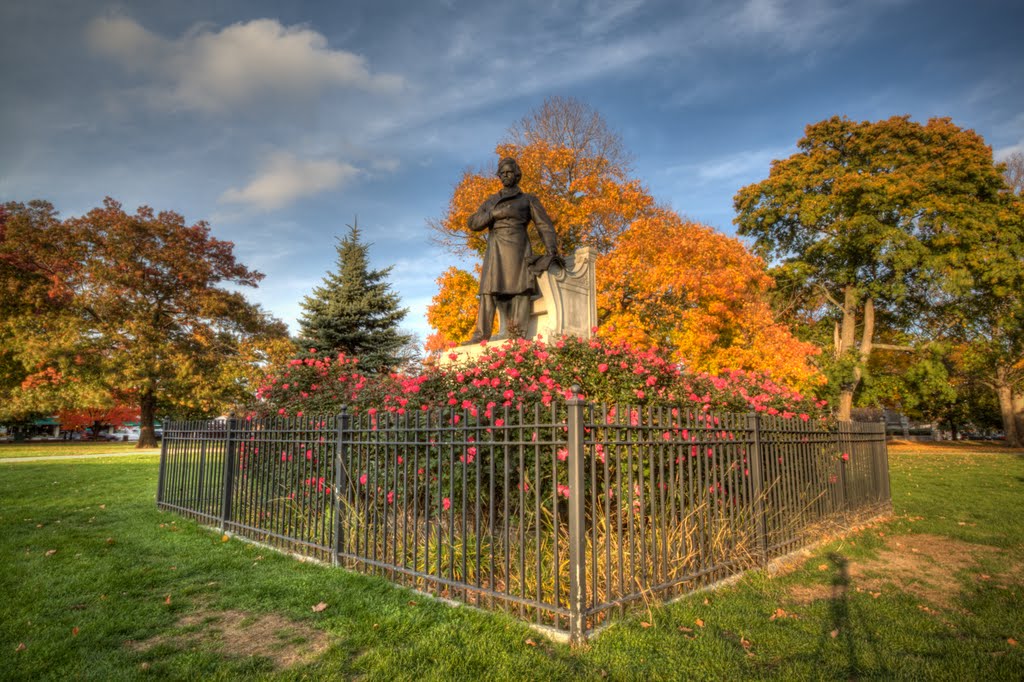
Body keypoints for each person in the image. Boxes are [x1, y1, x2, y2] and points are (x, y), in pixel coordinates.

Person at [464, 157, 560, 343]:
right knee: (488, 291)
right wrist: (493, 214)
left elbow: (544, 225)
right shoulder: (491, 201)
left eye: (509, 172)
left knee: (520, 290)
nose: (506, 175)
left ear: (517, 175)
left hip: (518, 248)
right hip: (496, 248)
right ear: (499, 176)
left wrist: (551, 248)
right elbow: (473, 223)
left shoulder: (528, 199)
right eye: (503, 173)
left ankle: (517, 337)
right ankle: (480, 334)